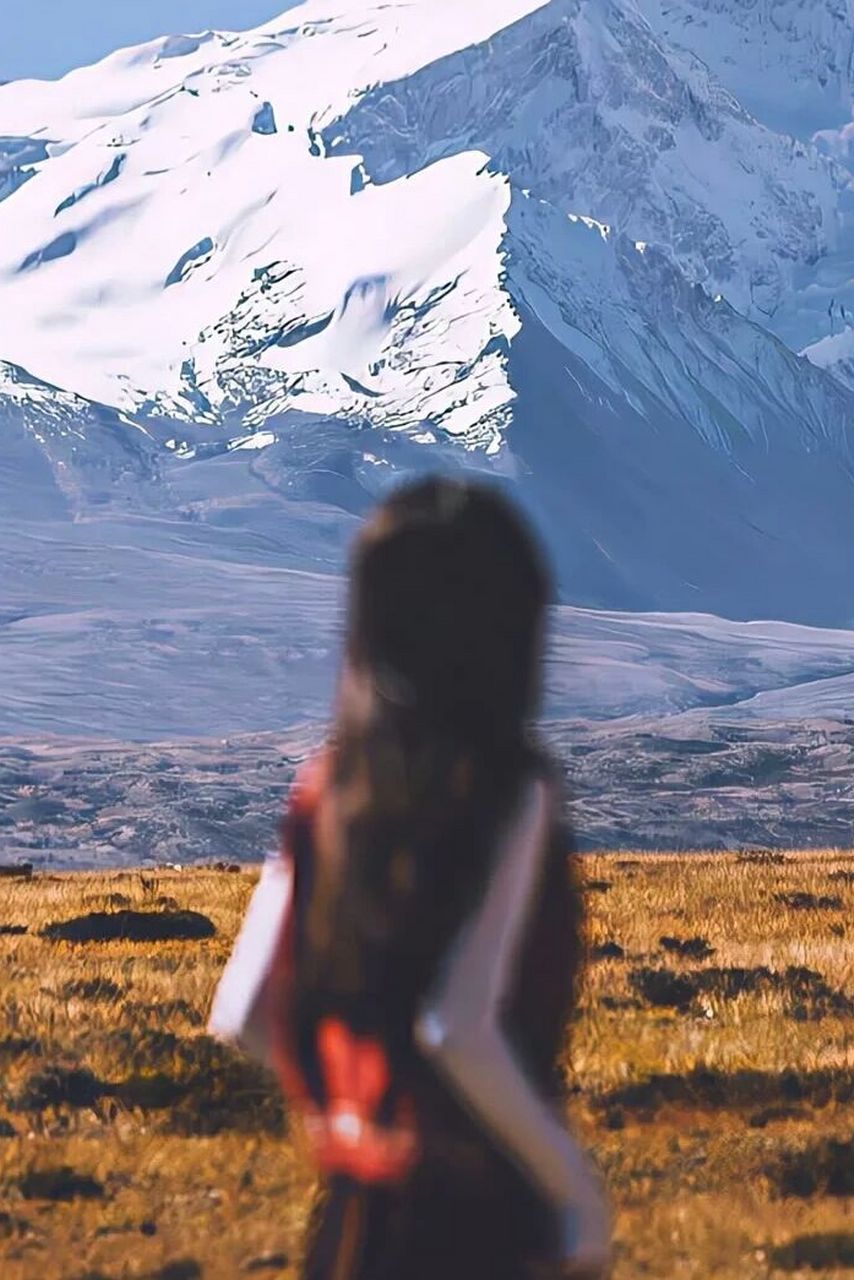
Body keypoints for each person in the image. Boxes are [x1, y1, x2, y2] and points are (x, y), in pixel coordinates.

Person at [209, 476, 611, 1279]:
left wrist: (354, 1117)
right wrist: (575, 1189)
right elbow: (457, 1026)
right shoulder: (510, 786)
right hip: (483, 1223)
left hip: (353, 1221)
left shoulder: (324, 788)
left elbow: (244, 1013)